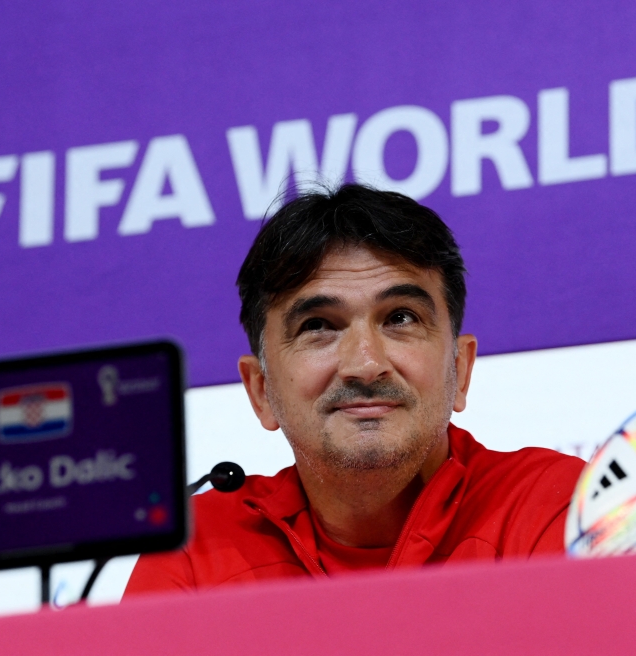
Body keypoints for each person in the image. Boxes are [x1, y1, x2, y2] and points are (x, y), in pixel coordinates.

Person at [124, 184, 584, 593]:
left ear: (460, 370)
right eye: (319, 325)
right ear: (261, 391)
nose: (366, 365)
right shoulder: (196, 552)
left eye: (401, 318)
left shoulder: (555, 505)